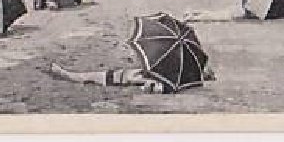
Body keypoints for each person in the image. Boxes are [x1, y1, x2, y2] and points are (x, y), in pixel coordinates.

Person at [50, 62, 216, 94]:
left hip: (121, 79)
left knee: (87, 77)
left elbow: (151, 88)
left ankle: (64, 73)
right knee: (90, 77)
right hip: (125, 75)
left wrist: (147, 84)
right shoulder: (173, 75)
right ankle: (64, 73)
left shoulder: (171, 81)